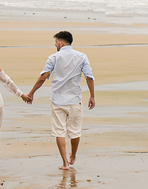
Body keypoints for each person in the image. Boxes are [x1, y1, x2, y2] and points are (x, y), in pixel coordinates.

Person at [22, 30, 95, 170]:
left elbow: (43, 77)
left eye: (56, 42)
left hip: (57, 101)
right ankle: (73, 156)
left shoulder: (53, 57)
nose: (55, 44)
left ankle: (65, 163)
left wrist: (31, 93)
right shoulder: (82, 56)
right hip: (74, 100)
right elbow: (89, 77)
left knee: (59, 132)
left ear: (61, 43)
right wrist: (92, 96)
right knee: (75, 131)